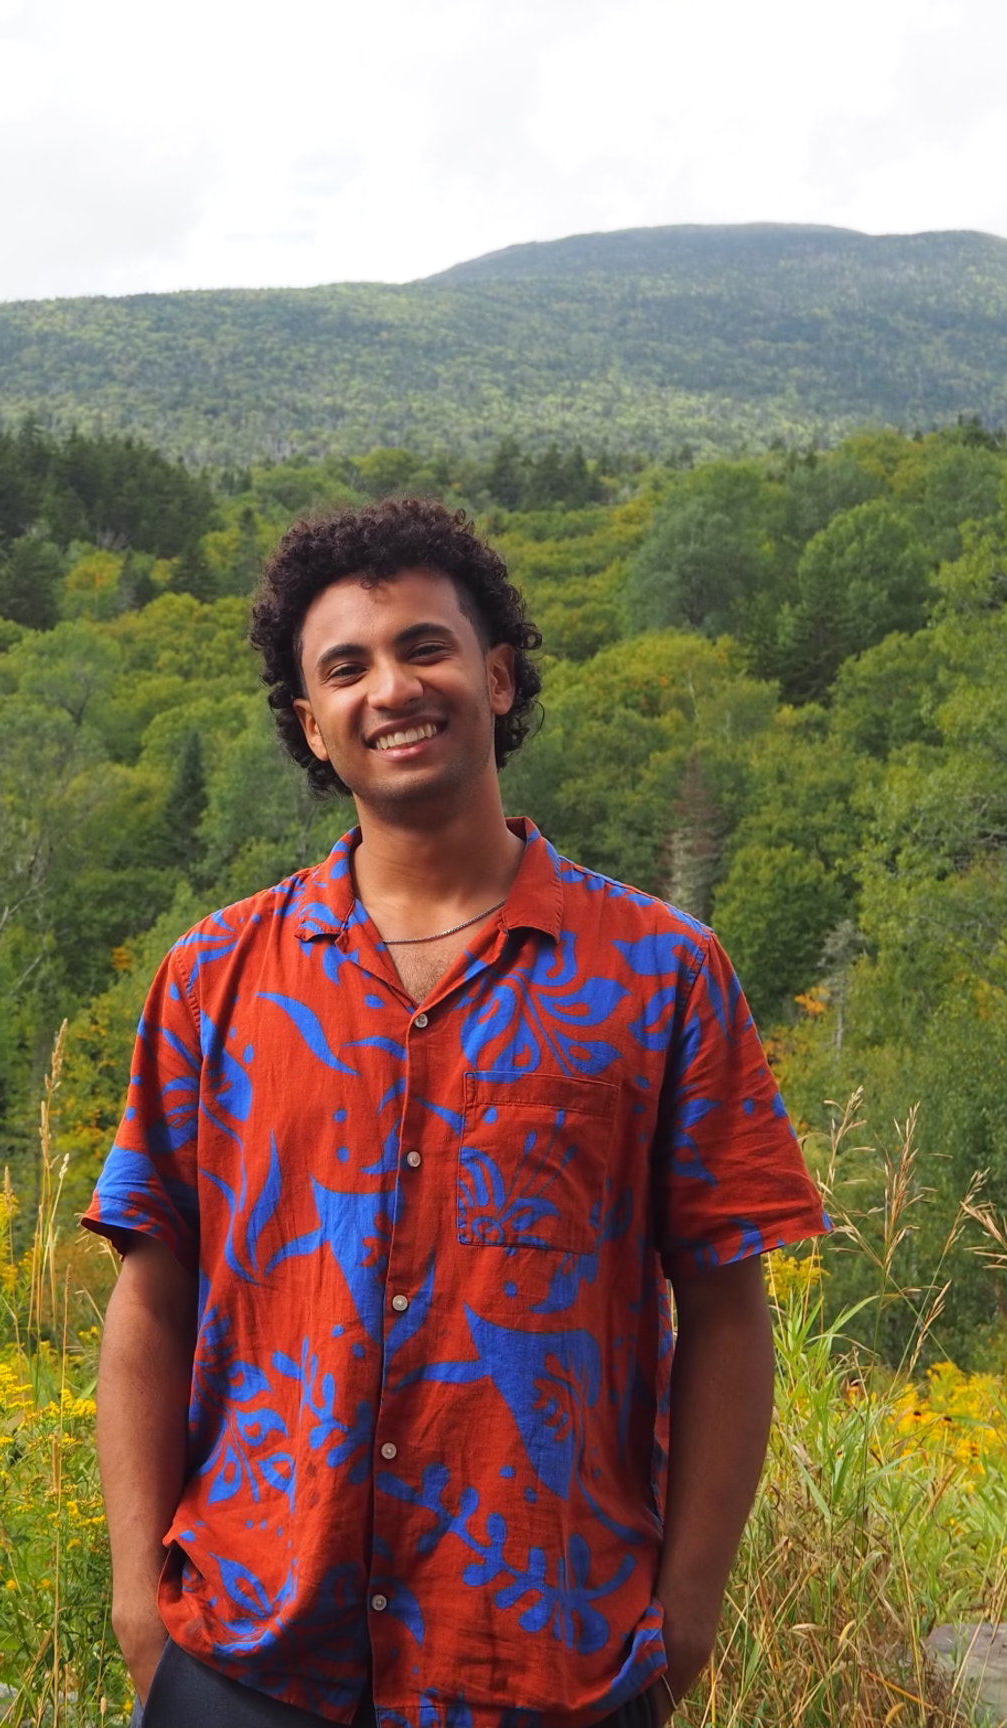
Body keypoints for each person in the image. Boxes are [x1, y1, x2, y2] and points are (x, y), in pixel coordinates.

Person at [84, 497, 828, 1728]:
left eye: (424, 647)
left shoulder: (661, 973)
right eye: (347, 667)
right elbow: (151, 1301)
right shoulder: (216, 977)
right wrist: (138, 1610)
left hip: (550, 1660)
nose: (393, 687)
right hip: (246, 1654)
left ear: (497, 673)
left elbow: (728, 1313)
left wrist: (685, 1615)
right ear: (311, 728)